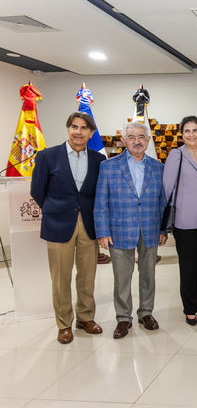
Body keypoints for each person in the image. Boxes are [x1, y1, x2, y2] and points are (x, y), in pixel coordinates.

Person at [30, 112, 106, 344]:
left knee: (87, 275)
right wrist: (55, 209)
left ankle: (85, 317)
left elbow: (97, 193)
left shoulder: (98, 160)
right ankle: (64, 324)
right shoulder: (47, 156)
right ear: (68, 129)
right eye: (74, 126)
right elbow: (37, 191)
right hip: (58, 224)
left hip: (88, 225)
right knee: (60, 278)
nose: (78, 132)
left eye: (84, 128)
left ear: (91, 133)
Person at [95, 121, 167, 339]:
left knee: (148, 276)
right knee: (122, 277)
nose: (137, 141)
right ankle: (123, 318)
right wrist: (102, 231)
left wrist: (163, 228)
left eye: (141, 137)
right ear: (124, 141)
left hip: (150, 229)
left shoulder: (158, 167)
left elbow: (163, 202)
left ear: (147, 140)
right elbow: (100, 202)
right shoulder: (108, 166)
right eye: (132, 137)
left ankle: (146, 313)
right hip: (119, 230)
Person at [163, 116, 197, 326]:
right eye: (187, 131)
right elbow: (167, 188)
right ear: (181, 134)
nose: (191, 134)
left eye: (195, 130)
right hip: (184, 220)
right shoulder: (177, 155)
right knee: (188, 265)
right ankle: (189, 308)